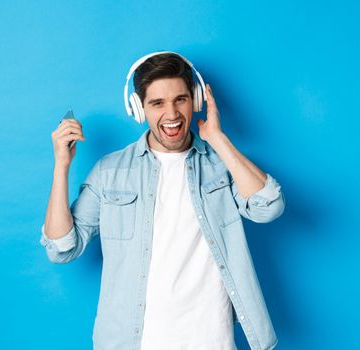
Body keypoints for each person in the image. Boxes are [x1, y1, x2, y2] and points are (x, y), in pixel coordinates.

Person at [39, 51, 285, 350]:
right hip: (133, 342)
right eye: (157, 103)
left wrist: (217, 138)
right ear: (139, 109)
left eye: (180, 99)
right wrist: (61, 166)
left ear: (195, 101)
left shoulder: (222, 165)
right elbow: (62, 248)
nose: (171, 114)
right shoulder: (110, 171)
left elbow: (268, 207)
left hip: (210, 340)